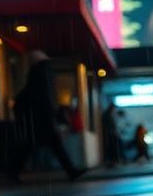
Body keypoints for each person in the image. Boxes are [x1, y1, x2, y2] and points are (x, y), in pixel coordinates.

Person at [7, 51, 85, 181]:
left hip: (37, 117)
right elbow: (45, 95)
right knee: (52, 145)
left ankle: (13, 172)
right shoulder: (44, 72)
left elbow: (32, 93)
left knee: (30, 145)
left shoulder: (37, 72)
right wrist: (51, 112)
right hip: (42, 117)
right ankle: (71, 171)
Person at [101, 103, 123, 168]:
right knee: (112, 148)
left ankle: (113, 161)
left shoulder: (109, 115)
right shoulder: (108, 115)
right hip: (110, 134)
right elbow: (109, 126)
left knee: (113, 147)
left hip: (111, 133)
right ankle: (112, 161)